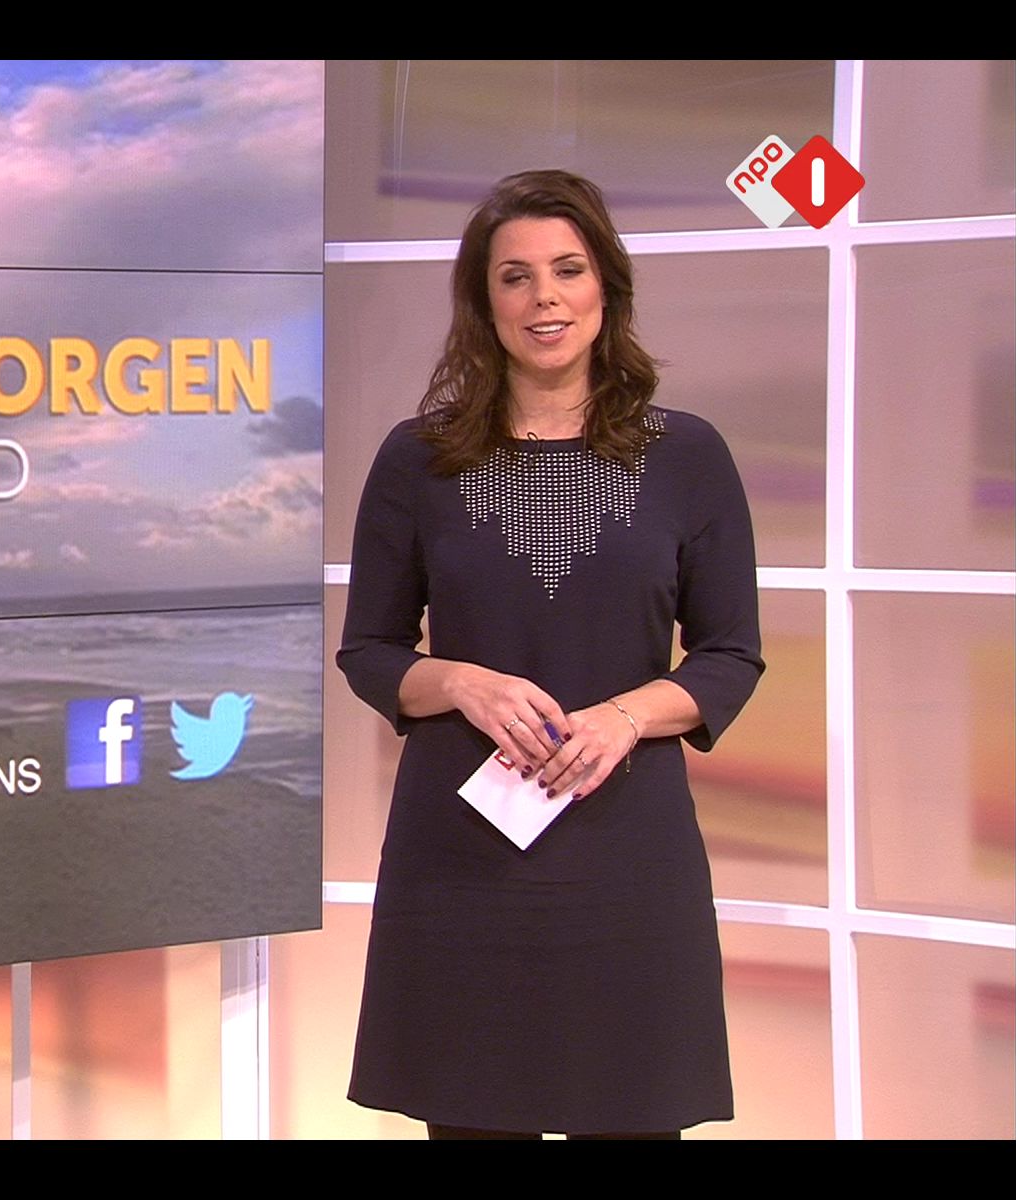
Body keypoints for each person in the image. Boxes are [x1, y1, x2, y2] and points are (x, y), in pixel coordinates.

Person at [336, 169, 764, 1140]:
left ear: (606, 284)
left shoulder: (687, 455)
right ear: (483, 301)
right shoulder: (418, 458)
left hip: (628, 857)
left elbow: (730, 656)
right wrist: (461, 683)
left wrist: (625, 718)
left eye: (568, 270)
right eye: (515, 276)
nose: (545, 298)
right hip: (464, 859)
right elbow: (370, 651)